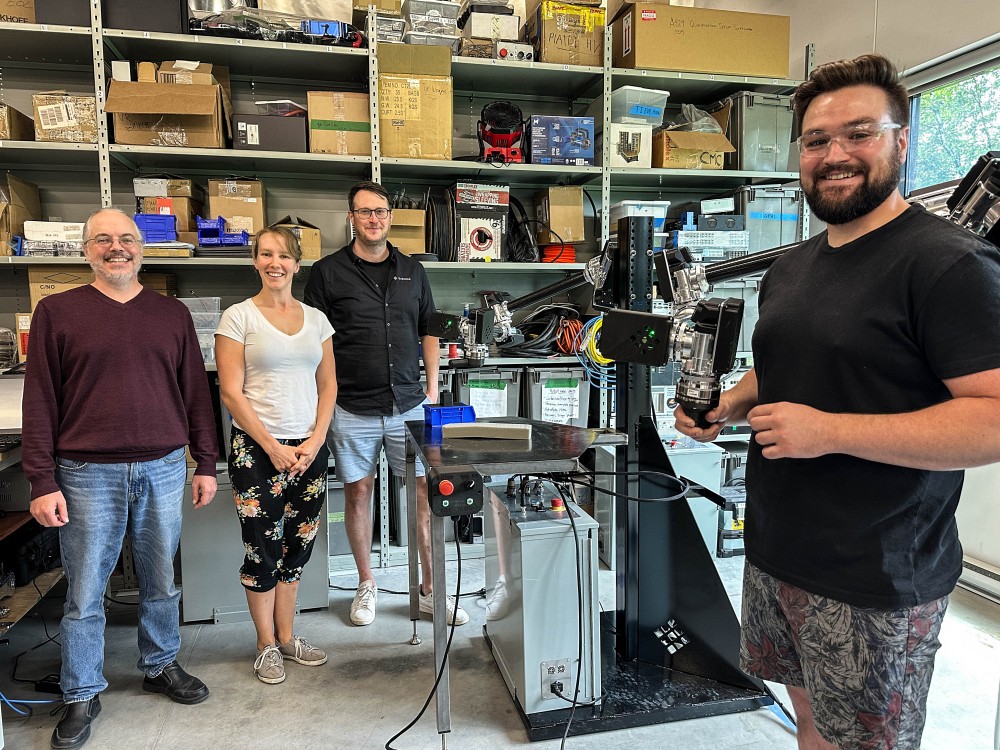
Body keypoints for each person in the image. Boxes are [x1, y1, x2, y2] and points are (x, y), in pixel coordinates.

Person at [674, 53, 1000, 750]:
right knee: (812, 728)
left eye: (860, 134)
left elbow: (993, 419)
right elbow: (787, 368)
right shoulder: (793, 266)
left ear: (902, 141)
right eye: (818, 140)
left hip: (876, 572)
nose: (835, 155)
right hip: (776, 550)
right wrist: (728, 404)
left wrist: (831, 432)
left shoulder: (949, 264)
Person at [22, 208, 219, 750]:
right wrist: (41, 479)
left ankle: (160, 664)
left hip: (162, 466)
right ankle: (81, 691)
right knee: (85, 591)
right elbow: (39, 398)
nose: (117, 248)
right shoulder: (56, 313)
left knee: (161, 580)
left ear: (142, 248)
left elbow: (195, 395)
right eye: (103, 239)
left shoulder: (171, 313)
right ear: (87, 249)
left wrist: (206, 461)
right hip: (86, 473)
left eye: (127, 239)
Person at [304, 180, 468, 627]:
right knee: (358, 491)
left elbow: (429, 329)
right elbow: (315, 340)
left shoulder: (413, 270)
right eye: (364, 212)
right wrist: (325, 398)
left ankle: (431, 590)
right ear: (351, 218)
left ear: (389, 217)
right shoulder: (326, 272)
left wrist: (432, 387)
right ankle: (366, 584)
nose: (373, 219)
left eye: (380, 211)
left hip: (408, 404)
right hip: (350, 406)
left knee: (423, 491)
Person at [215, 227, 337, 684]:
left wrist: (315, 440)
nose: (275, 263)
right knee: (261, 548)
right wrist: (272, 447)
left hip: (308, 450)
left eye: (283, 256)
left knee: (298, 547)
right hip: (257, 452)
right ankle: (265, 644)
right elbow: (231, 393)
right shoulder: (237, 318)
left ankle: (288, 638)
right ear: (255, 261)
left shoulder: (317, 321)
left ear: (297, 264)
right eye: (266, 254)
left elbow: (328, 386)